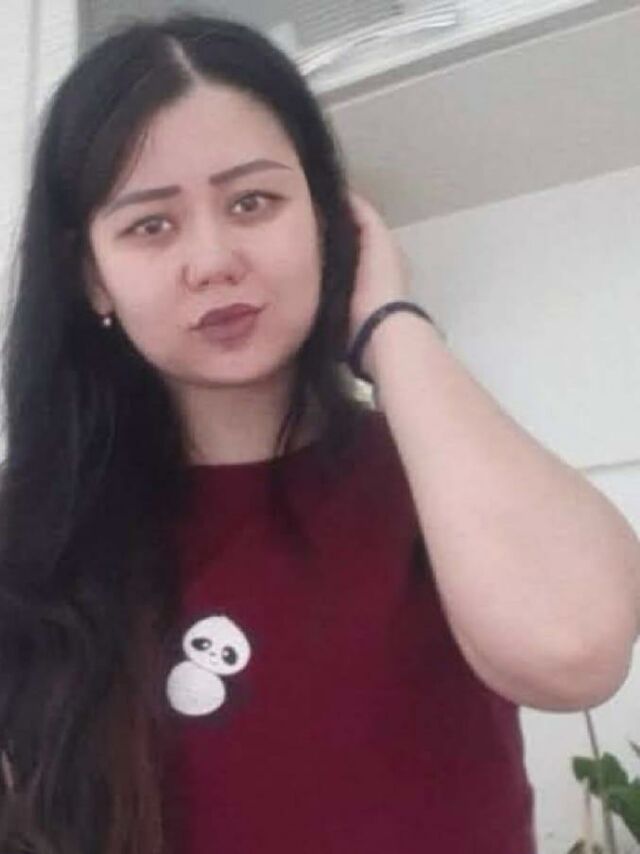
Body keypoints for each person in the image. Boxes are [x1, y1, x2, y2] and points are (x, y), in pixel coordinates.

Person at [0, 13, 638, 854]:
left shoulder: (435, 473)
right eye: (151, 225)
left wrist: (390, 321)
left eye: (252, 201)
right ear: (93, 277)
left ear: (329, 223)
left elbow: (575, 650)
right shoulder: (32, 540)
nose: (213, 259)